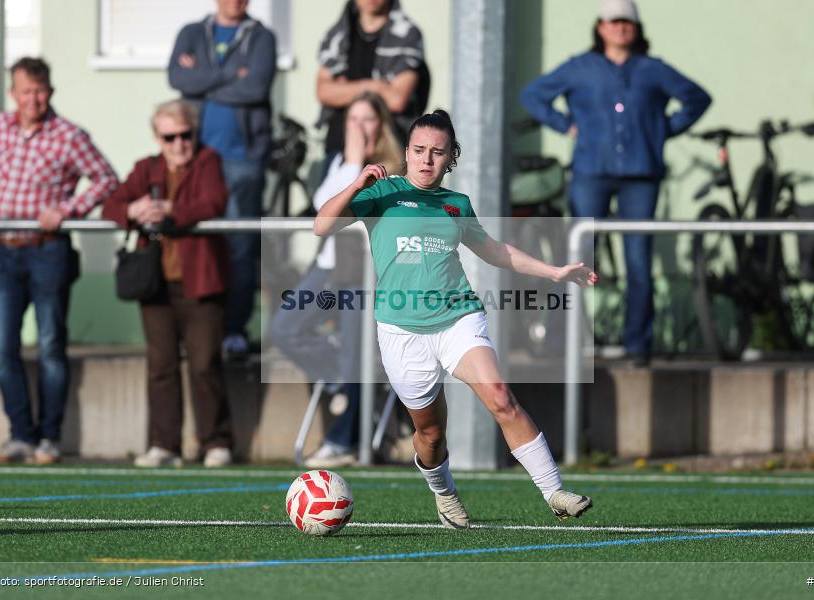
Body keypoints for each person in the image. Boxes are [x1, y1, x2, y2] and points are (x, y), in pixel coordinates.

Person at [314, 109, 598, 528]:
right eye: (419, 150)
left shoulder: (455, 204)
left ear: (450, 158)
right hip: (400, 331)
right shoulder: (382, 194)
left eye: (437, 152)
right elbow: (321, 226)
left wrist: (554, 272)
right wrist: (357, 184)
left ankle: (554, 490)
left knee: (501, 397)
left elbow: (496, 251)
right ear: (406, 153)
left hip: (457, 317)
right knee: (430, 435)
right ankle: (444, 493)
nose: (426, 160)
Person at [520, 0, 711, 364]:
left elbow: (696, 99)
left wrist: (661, 131)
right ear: (601, 27)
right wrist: (564, 125)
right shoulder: (581, 68)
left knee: (638, 261)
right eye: (613, 21)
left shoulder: (651, 69)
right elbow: (533, 96)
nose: (621, 27)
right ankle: (558, 343)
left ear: (636, 29)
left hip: (641, 175)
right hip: (591, 172)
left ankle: (638, 345)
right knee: (575, 257)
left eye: (627, 21)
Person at [0, 57, 118, 464]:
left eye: (40, 91)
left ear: (50, 92)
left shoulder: (69, 135)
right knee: (3, 347)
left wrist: (69, 210)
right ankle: (20, 435)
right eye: (26, 92)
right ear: (13, 94)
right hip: (5, 250)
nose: (33, 99)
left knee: (49, 344)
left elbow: (107, 178)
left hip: (48, 250)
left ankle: (49, 439)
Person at [271, 92, 403, 468]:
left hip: (364, 273)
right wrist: (351, 162)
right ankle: (346, 383)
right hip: (328, 267)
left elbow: (349, 210)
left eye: (368, 120)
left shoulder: (388, 169)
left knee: (355, 354)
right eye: (353, 120)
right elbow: (323, 209)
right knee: (284, 328)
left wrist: (358, 164)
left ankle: (342, 440)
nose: (359, 128)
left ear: (381, 125)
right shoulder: (342, 163)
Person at [102, 100, 234, 468]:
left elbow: (213, 201)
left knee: (204, 363)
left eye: (185, 134)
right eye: (170, 136)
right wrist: (132, 210)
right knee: (160, 365)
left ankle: (216, 442)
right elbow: (111, 203)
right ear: (157, 138)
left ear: (194, 133)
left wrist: (170, 211)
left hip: (202, 282)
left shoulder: (208, 161)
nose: (179, 143)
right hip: (156, 285)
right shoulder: (147, 168)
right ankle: (164, 444)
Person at [168, 0, 277, 360]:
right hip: (196, 159)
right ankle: (198, 332)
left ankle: (233, 330)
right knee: (196, 245)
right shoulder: (191, 32)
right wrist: (232, 75)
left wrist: (203, 80)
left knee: (241, 249)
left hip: (242, 159)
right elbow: (178, 78)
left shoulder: (261, 37)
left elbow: (256, 88)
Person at [316, 0, 427, 162]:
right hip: (339, 144)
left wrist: (344, 89)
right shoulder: (337, 35)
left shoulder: (407, 36)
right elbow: (324, 92)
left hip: (389, 149)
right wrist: (374, 86)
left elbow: (397, 99)